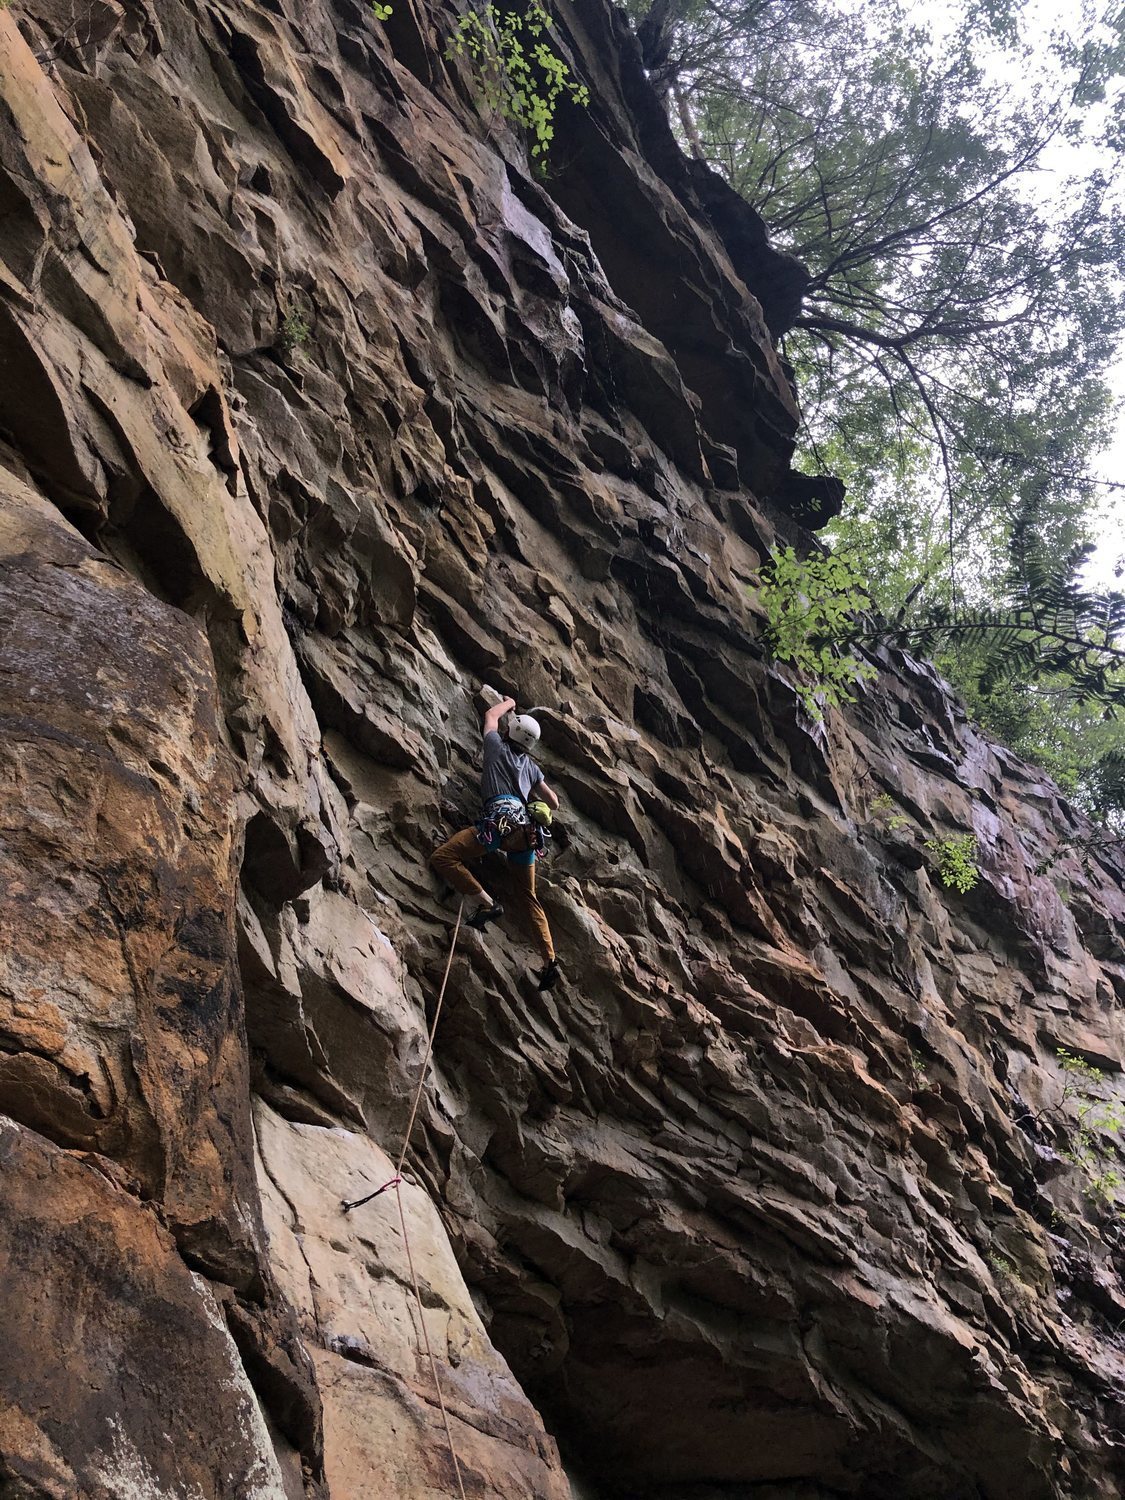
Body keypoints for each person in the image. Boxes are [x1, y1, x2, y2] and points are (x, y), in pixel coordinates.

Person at [430, 694, 561, 989]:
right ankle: (550, 961)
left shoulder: (495, 747)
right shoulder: (531, 767)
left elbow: (490, 716)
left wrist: (509, 703)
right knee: (529, 897)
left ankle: (487, 904)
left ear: (511, 732)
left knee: (444, 857)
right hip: (525, 834)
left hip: (497, 826)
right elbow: (553, 802)